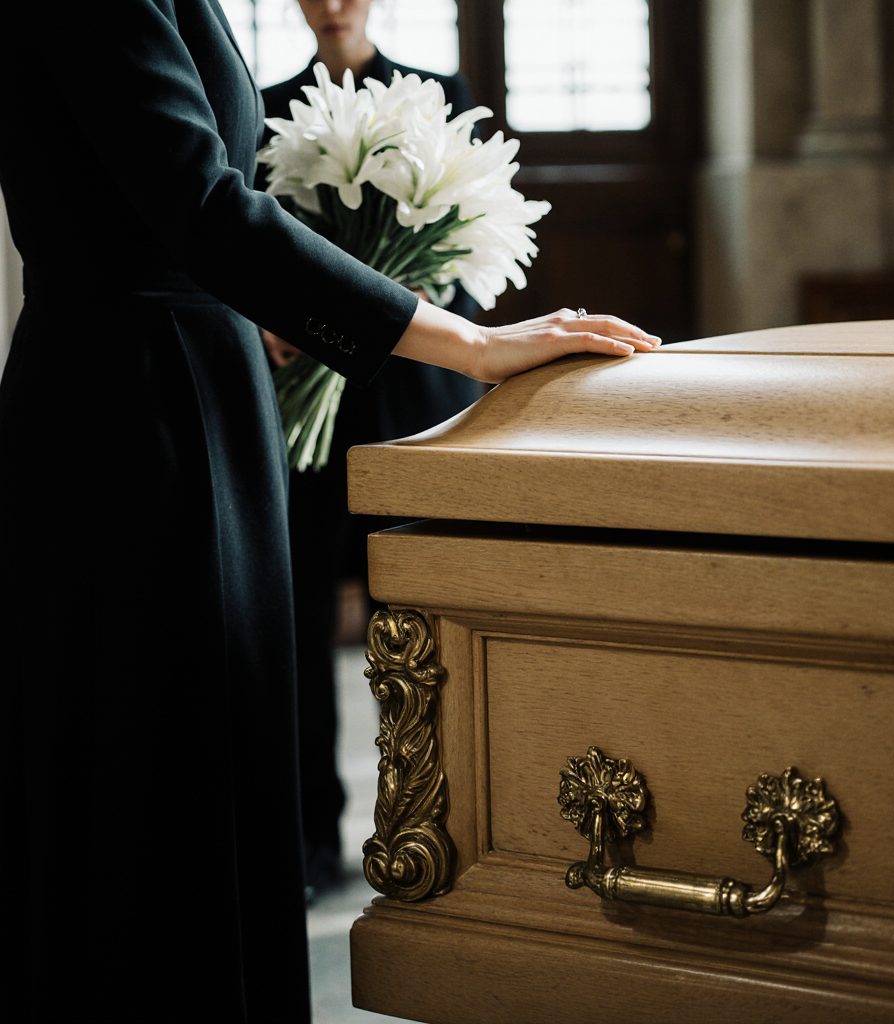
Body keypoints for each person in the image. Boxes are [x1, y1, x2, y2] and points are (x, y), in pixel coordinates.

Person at [0, 2, 659, 1021]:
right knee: (147, 771)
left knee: (212, 753)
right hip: (131, 411)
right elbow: (205, 205)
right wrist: (472, 346)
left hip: (189, 382)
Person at [256, 0, 486, 900]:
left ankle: (451, 829)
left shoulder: (436, 93)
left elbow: (464, 251)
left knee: (429, 615)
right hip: (309, 399)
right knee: (302, 611)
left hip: (416, 392)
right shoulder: (271, 103)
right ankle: (313, 835)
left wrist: (384, 298)